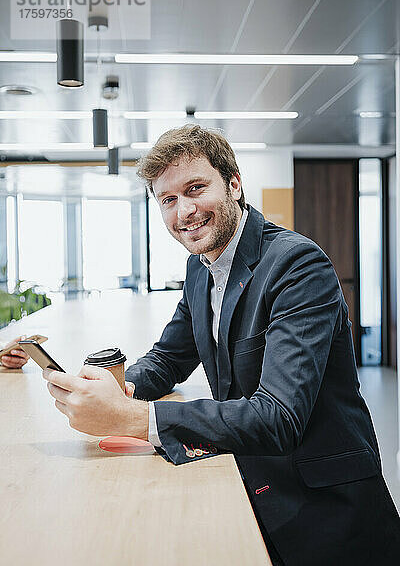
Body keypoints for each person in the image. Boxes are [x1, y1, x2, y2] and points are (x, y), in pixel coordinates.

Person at [43, 125, 400, 566]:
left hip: (326, 512)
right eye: (168, 200)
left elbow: (277, 418)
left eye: (195, 188)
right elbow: (167, 358)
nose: (184, 211)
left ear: (233, 183)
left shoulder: (296, 265)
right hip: (257, 485)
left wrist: (132, 417)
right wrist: (119, 386)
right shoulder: (201, 267)